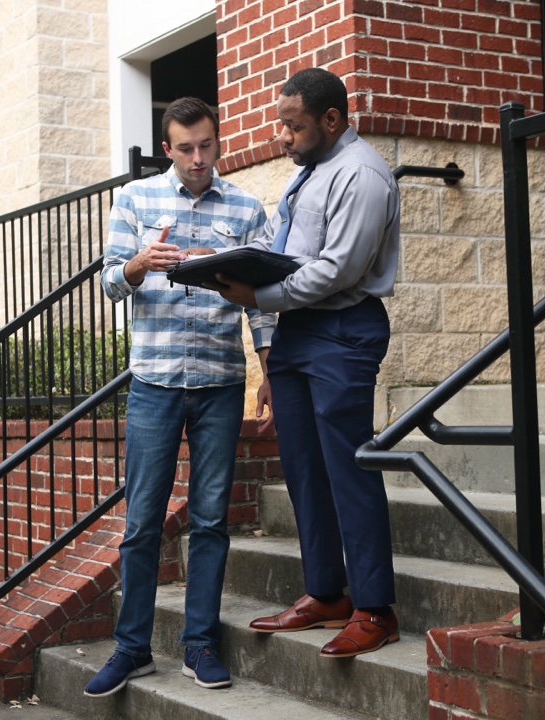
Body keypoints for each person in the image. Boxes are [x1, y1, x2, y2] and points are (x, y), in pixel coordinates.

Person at [84, 97, 276, 697]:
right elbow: (110, 283)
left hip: (220, 384)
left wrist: (267, 368)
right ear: (167, 148)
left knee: (212, 520)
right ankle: (132, 648)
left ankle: (199, 643)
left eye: (207, 146)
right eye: (186, 148)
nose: (198, 159)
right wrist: (139, 263)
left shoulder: (246, 206)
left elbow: (265, 297)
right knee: (142, 522)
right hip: (154, 385)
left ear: (218, 142)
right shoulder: (137, 200)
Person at [211, 68, 401, 658]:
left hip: (343, 329)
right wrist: (221, 264)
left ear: (331, 120)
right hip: (297, 334)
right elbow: (284, 253)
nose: (283, 138)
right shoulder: (309, 175)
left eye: (293, 127)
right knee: (302, 468)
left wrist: (257, 297)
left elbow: (339, 269)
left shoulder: (363, 175)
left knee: (348, 469)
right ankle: (326, 594)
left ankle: (375, 607)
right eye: (281, 125)